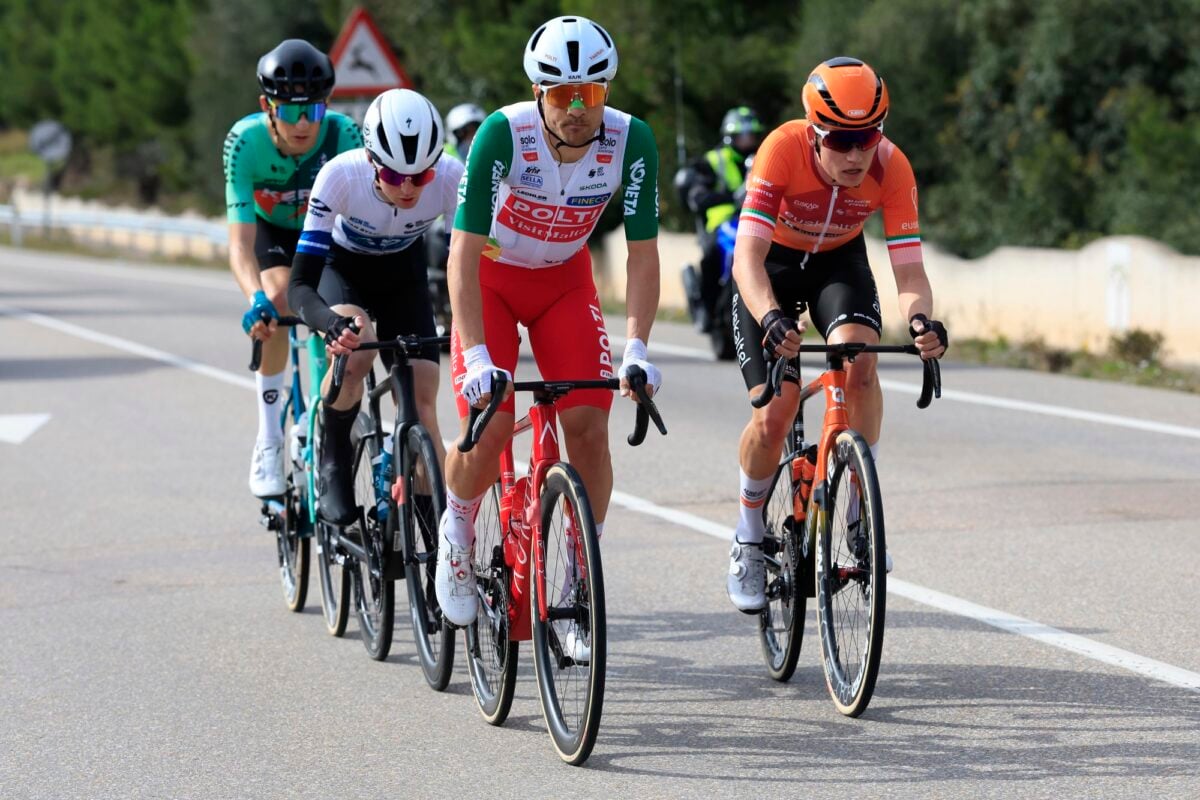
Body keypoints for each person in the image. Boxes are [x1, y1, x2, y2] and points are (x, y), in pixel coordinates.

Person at [434, 16, 663, 640]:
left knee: (589, 426)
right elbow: (461, 251)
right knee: (490, 428)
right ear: (539, 92)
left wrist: (638, 345)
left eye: (589, 93)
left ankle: (576, 582)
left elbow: (643, 253)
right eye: (562, 95)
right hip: (493, 280)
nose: (576, 109)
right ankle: (455, 526)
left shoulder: (631, 141)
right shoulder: (500, 135)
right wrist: (477, 352)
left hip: (565, 282)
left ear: (606, 92)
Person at [725, 57, 948, 612]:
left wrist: (922, 322)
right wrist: (772, 316)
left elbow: (911, 273)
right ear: (814, 132)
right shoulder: (781, 148)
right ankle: (749, 531)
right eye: (840, 141)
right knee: (774, 412)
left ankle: (857, 511)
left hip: (837, 264)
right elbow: (745, 259)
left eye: (866, 138)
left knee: (862, 362)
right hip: (772, 267)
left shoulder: (892, 167)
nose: (855, 155)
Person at [287, 88, 462, 524]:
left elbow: (470, 267)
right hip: (343, 269)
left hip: (403, 273)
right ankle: (333, 456)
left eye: (419, 177)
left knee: (423, 401)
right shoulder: (339, 177)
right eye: (394, 176)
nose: (408, 189)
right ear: (370, 160)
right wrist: (329, 324)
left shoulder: (451, 177)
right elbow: (300, 285)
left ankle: (438, 548)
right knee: (359, 341)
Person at [224, 39, 363, 498]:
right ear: (268, 106)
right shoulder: (244, 143)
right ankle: (269, 436)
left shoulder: (346, 135)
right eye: (289, 112)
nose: (303, 125)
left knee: (337, 309)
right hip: (273, 235)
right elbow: (240, 243)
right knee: (280, 300)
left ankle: (327, 411)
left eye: (314, 112)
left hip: (324, 234)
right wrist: (255, 298)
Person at [679, 106, 764, 332]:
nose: (747, 141)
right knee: (711, 259)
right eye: (742, 136)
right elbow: (697, 193)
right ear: (730, 136)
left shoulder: (766, 158)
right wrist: (728, 197)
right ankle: (705, 309)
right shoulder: (714, 160)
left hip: (759, 222)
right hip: (723, 224)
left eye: (752, 136)